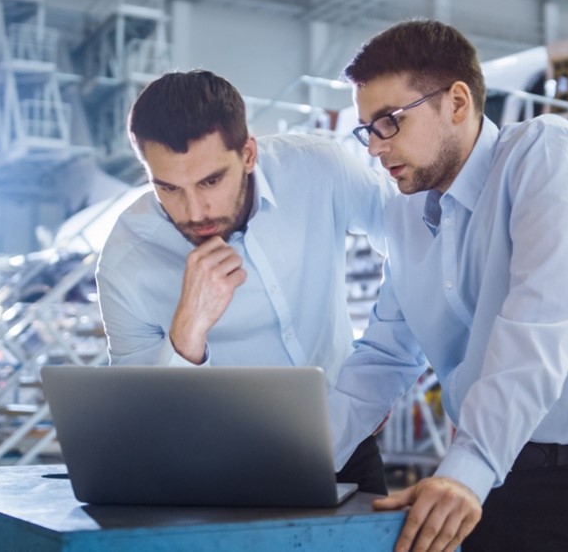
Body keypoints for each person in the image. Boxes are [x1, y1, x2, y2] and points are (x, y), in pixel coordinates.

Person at [328, 20, 568, 551]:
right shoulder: (406, 215)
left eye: (388, 122)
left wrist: (469, 468)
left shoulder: (545, 154)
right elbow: (385, 356)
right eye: (367, 129)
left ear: (457, 102)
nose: (374, 148)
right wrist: (305, 461)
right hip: (487, 480)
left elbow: (539, 322)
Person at [95, 70, 396, 494]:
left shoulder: (317, 168)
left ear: (249, 154)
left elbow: (415, 240)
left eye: (210, 181)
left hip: (347, 447)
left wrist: (377, 375)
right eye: (168, 188)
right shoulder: (127, 262)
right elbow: (144, 431)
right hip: (214, 470)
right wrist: (187, 333)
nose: (195, 211)